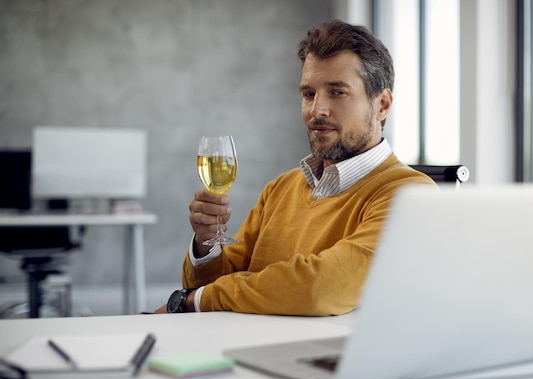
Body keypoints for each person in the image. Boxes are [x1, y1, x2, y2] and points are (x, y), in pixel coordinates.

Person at [155, 19, 435, 316]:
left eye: (337, 92)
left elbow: (322, 289)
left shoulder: (411, 196)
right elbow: (214, 286)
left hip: (325, 358)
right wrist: (206, 241)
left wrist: (194, 301)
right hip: (244, 349)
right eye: (308, 94)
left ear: (382, 104)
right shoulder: (281, 188)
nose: (317, 111)